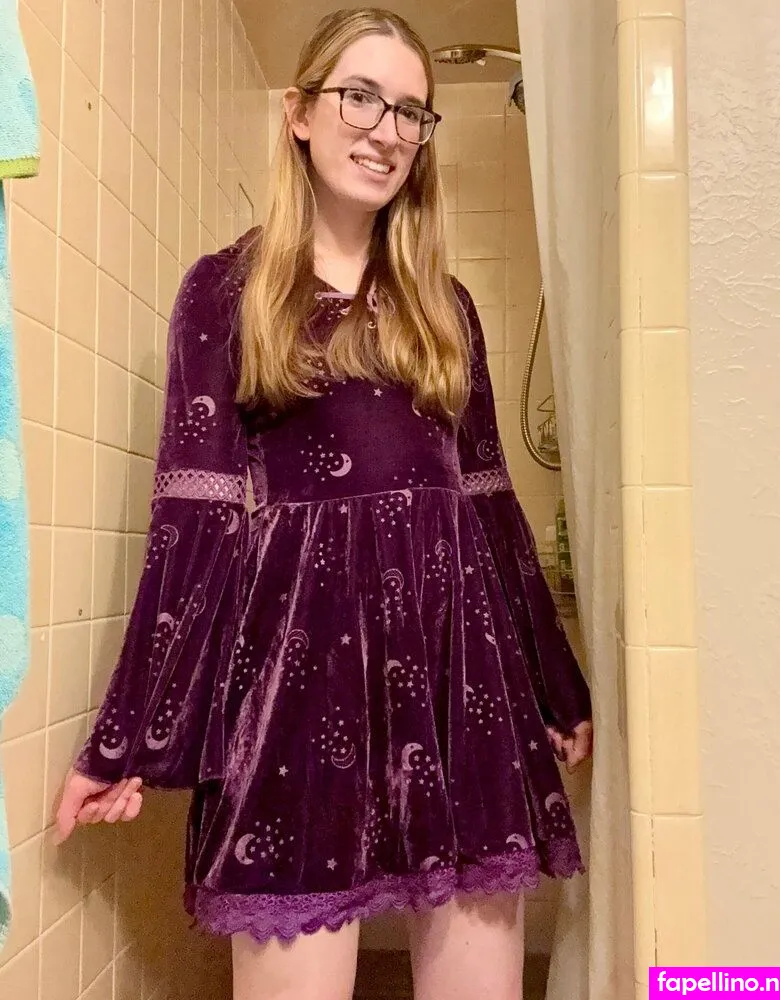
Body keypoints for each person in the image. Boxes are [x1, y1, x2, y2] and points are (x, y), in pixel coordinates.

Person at [54, 8, 593, 999]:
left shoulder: (447, 307)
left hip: (456, 668)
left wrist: (556, 685)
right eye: (360, 97)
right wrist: (129, 734)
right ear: (300, 113)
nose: (387, 130)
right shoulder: (227, 291)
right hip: (299, 679)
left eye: (411, 112)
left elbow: (490, 503)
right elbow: (195, 520)